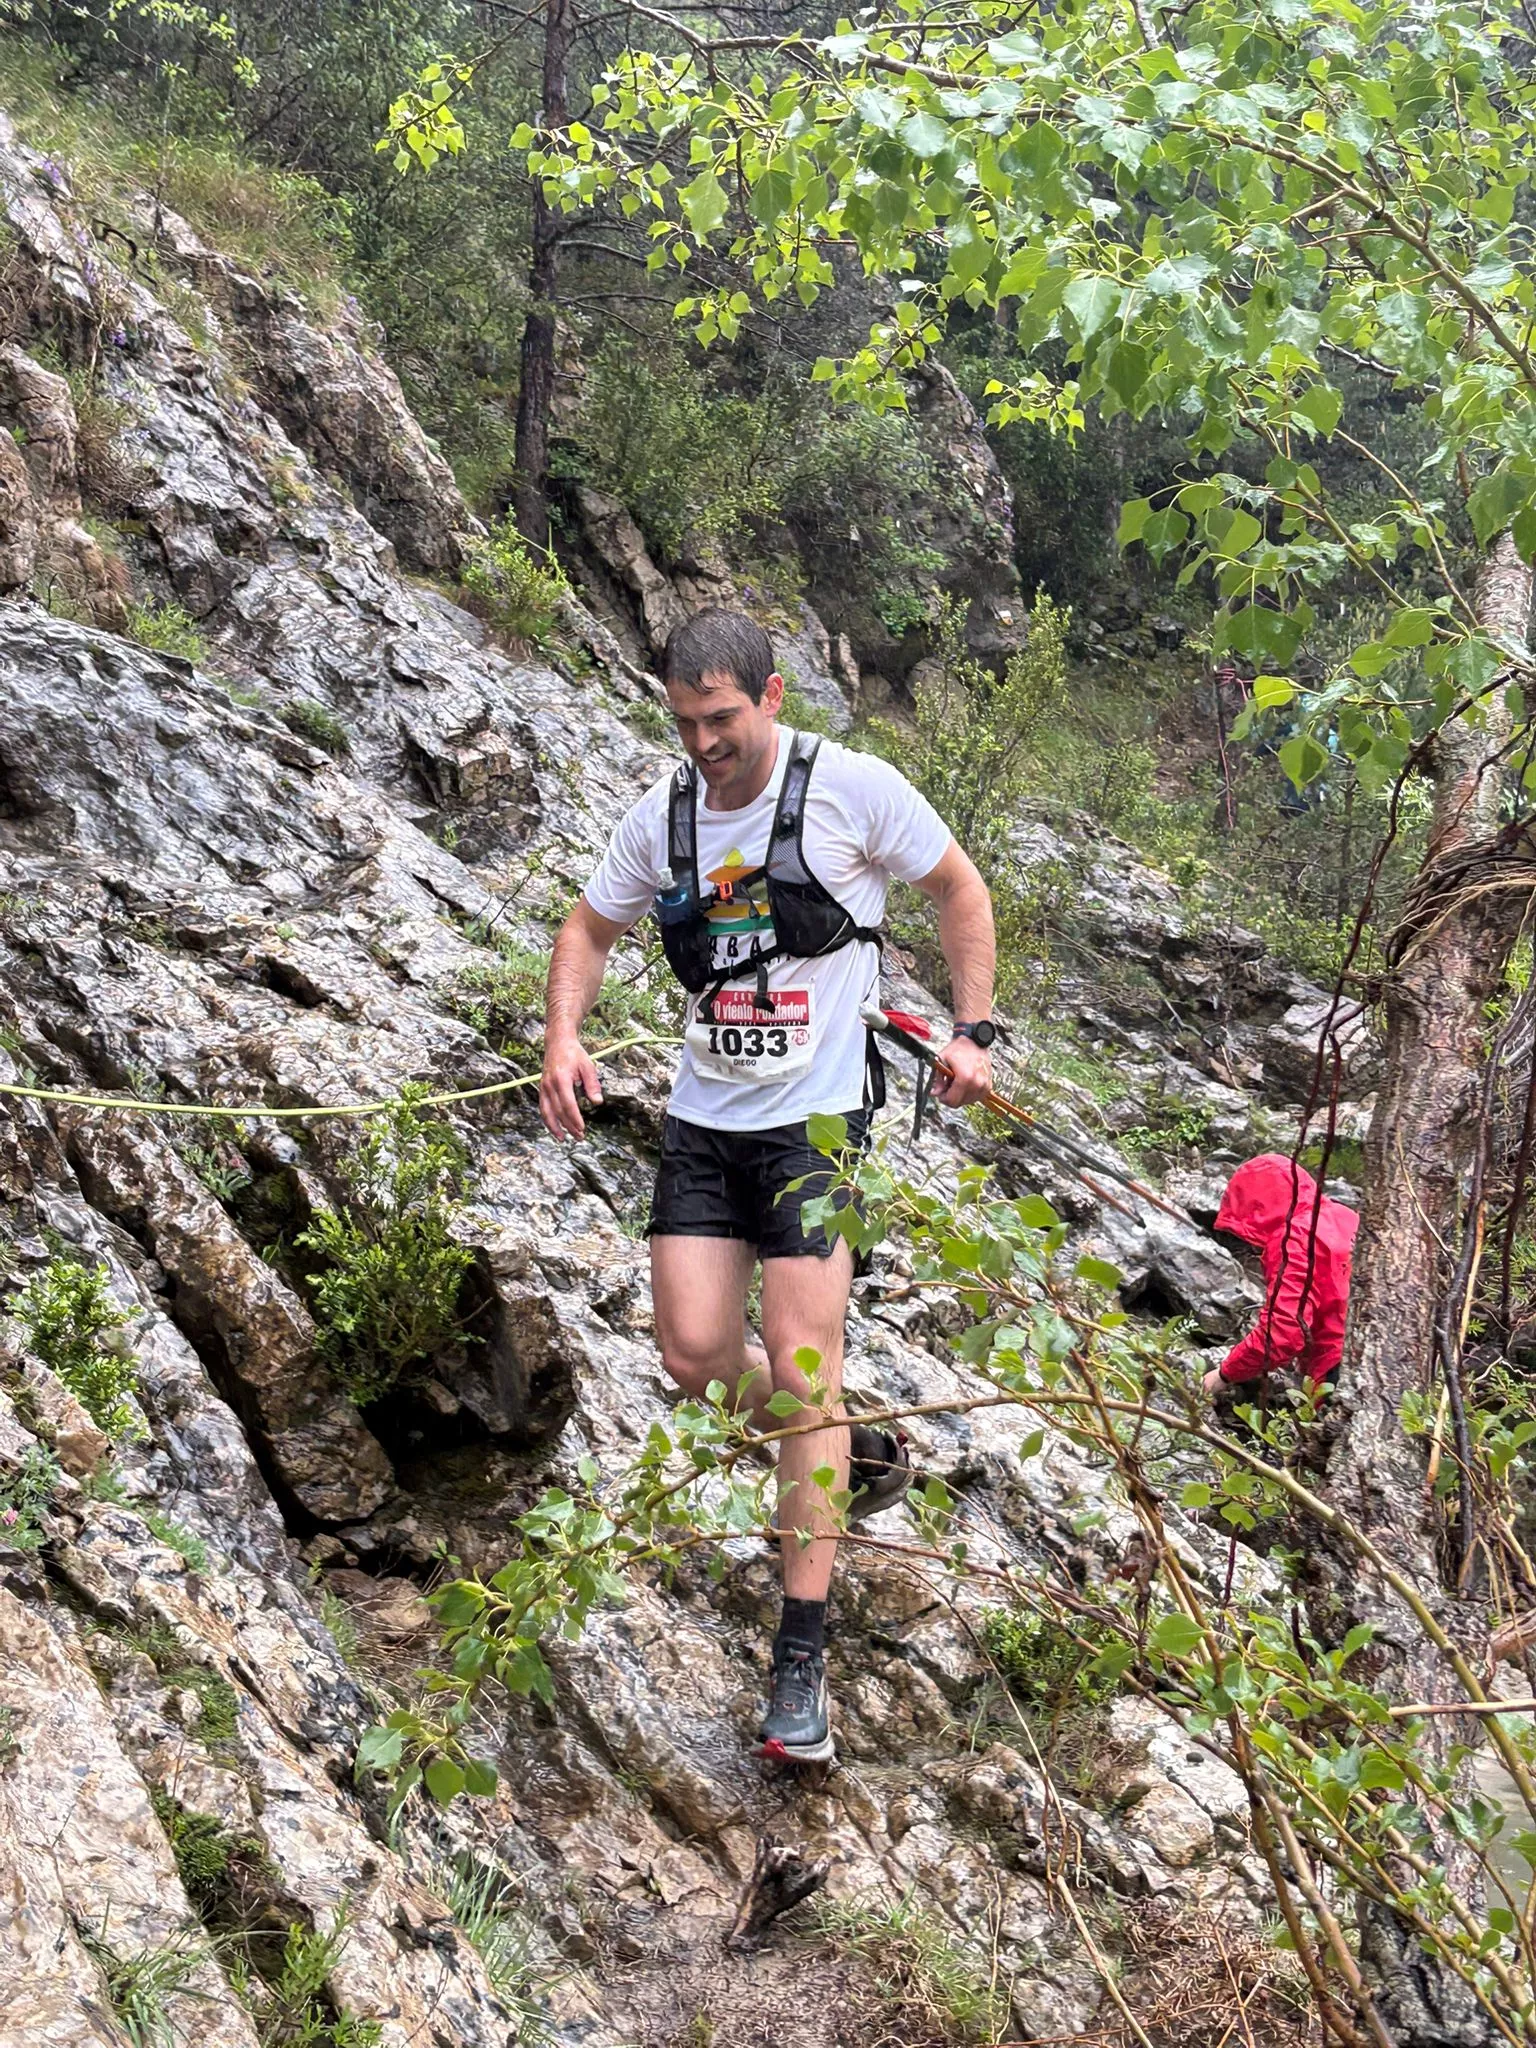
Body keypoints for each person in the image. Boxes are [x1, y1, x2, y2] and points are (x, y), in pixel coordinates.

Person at [540, 609, 997, 1762]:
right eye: (686, 722)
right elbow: (588, 928)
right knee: (694, 1356)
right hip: (704, 1118)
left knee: (801, 1366)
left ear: (773, 695)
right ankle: (848, 1448)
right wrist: (564, 1034)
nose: (705, 743)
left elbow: (959, 891)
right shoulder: (668, 815)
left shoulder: (852, 789)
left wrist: (975, 1028)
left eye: (723, 719)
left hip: (816, 1120)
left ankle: (801, 1655)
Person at [1202, 1153, 1359, 1399]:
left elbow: (1283, 1334)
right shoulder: (1345, 1216)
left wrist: (1223, 1374)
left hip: (1338, 1371)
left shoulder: (1293, 1238)